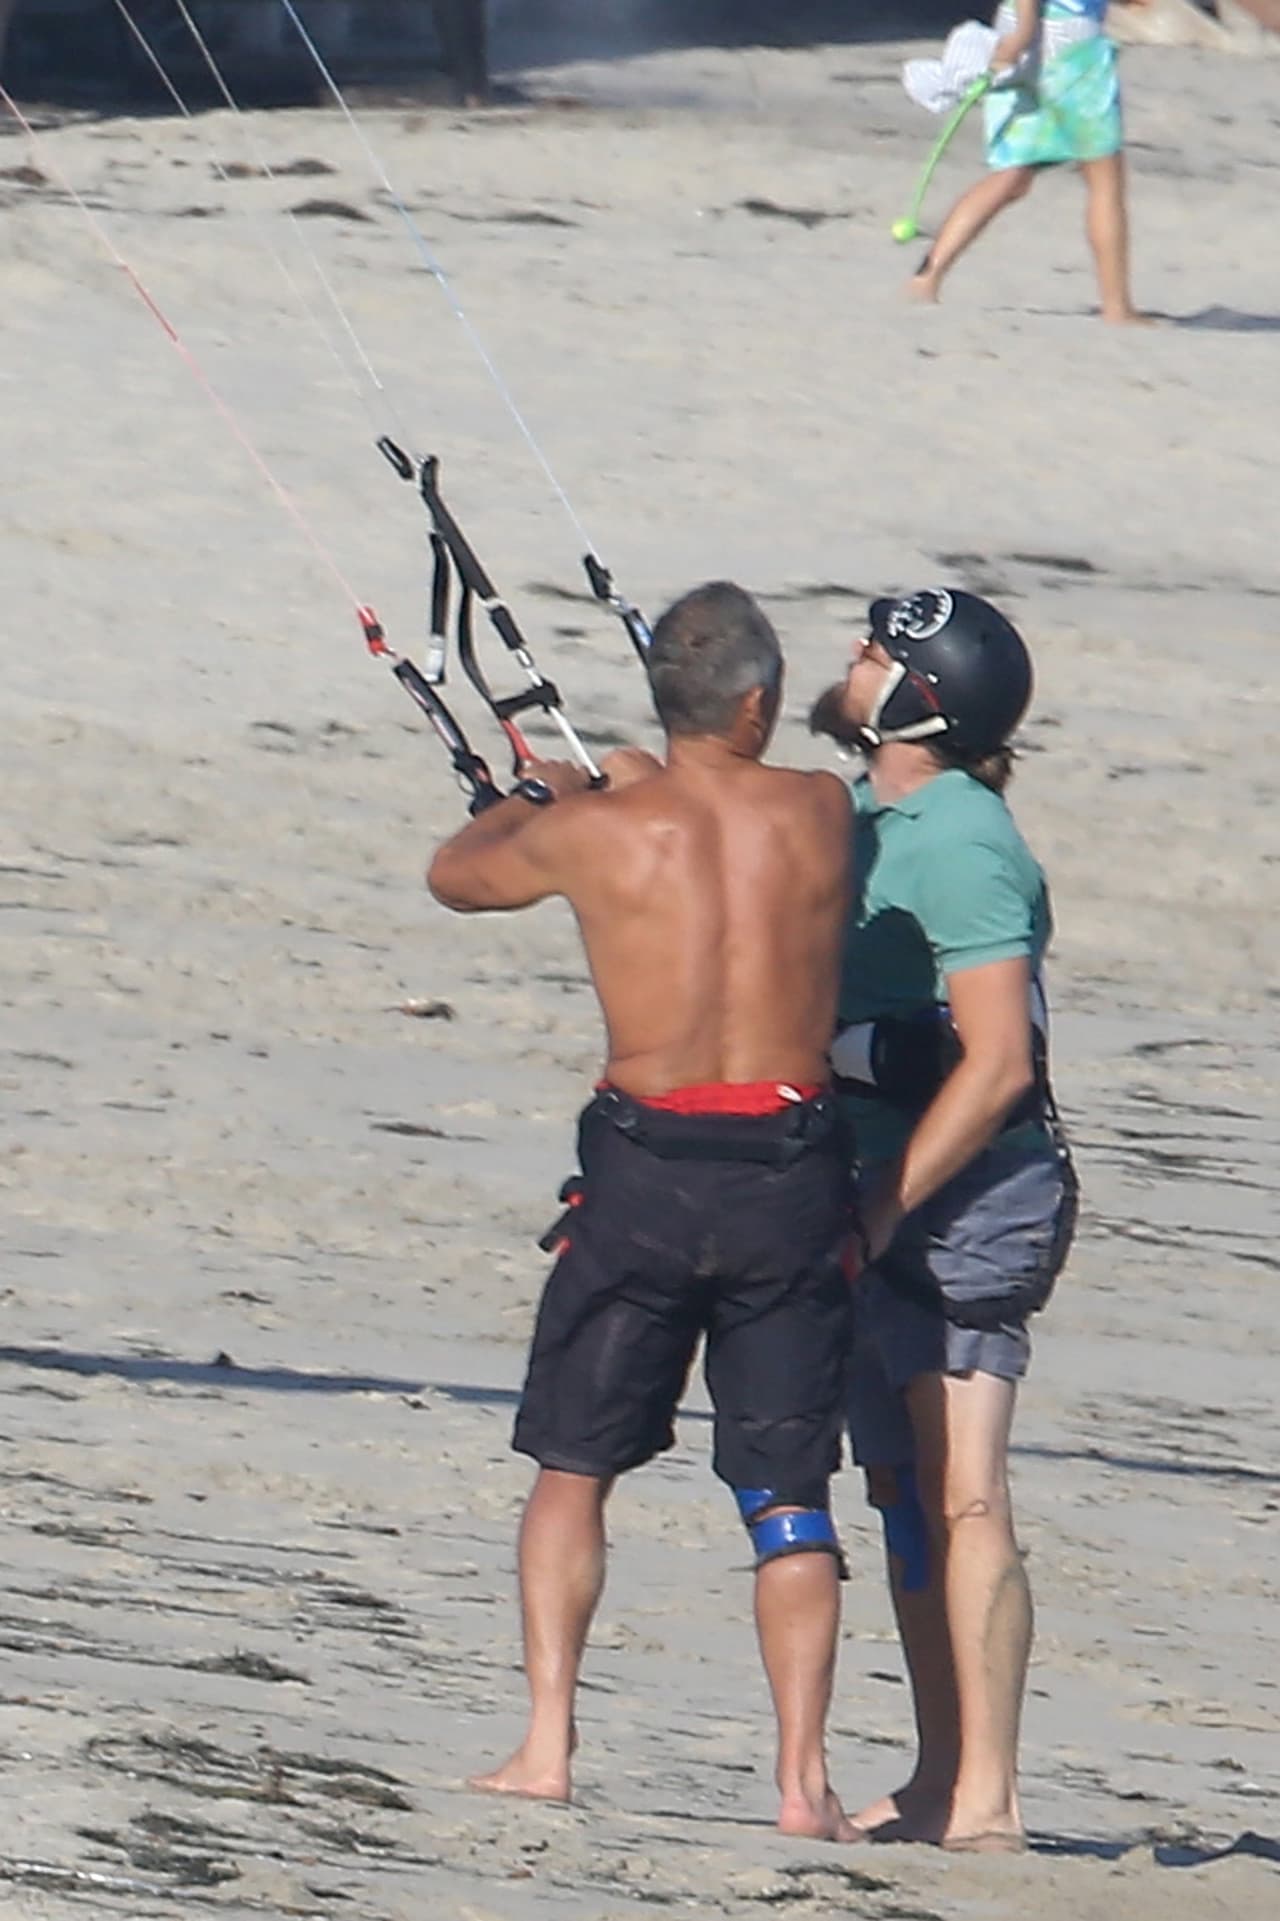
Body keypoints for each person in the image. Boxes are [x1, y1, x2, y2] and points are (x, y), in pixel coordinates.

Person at [428, 581, 860, 1838]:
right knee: (788, 1494)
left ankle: (548, 1745)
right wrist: (629, 779)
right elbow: (733, 801)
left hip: (646, 1173)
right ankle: (800, 1783)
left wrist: (555, 794)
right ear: (760, 705)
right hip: (789, 1171)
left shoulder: (599, 831)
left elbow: (456, 877)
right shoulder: (825, 811)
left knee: (573, 1464)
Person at [809, 588, 1078, 1853]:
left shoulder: (966, 840)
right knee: (905, 1494)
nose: (849, 666)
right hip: (881, 1186)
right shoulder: (870, 812)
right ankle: (933, 1774)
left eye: (871, 656)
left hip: (971, 1197)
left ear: (921, 699)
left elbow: (998, 1063)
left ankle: (990, 1799)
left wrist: (881, 1203)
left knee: (966, 1495)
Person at [909, 0, 1151, 322]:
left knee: (1013, 173)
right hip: (1066, 43)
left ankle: (926, 278)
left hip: (1023, 33)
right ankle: (1117, 307)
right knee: (1103, 176)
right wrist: (1024, 29)